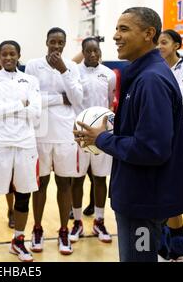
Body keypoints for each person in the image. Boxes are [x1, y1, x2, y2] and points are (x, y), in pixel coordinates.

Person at [74, 7, 183, 262]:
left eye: (124, 29)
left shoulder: (151, 80)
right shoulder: (142, 75)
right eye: (116, 28)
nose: (115, 35)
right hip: (141, 195)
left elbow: (152, 148)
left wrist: (102, 138)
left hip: (143, 201)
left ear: (149, 33)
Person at [0, 40, 41, 262]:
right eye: (3, 55)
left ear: (18, 55)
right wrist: (19, 105)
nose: (8, 58)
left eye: (12, 54)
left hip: (25, 145)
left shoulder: (31, 80)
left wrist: (6, 109)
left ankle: (19, 241)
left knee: (23, 197)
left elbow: (35, 113)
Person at [25, 27, 82, 255]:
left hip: (64, 133)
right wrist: (60, 98)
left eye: (60, 43)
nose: (56, 46)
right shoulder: (32, 65)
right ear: (46, 42)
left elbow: (77, 100)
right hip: (39, 134)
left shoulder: (72, 66)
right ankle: (37, 229)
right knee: (40, 185)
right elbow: (32, 99)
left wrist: (64, 71)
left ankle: (63, 231)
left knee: (64, 184)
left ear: (65, 44)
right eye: (53, 42)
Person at [157, 29, 183, 261]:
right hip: (161, 138)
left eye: (164, 42)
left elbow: (177, 96)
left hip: (182, 141)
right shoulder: (158, 67)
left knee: (173, 198)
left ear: (176, 45)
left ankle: (178, 248)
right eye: (158, 43)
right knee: (163, 196)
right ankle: (167, 247)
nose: (160, 47)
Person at [69, 37, 116, 244]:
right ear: (83, 52)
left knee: (100, 179)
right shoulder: (74, 72)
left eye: (96, 51)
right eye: (89, 51)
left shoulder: (109, 74)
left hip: (101, 134)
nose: (93, 54)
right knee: (77, 179)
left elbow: (109, 103)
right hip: (79, 134)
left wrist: (106, 127)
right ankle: (77, 222)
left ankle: (99, 220)